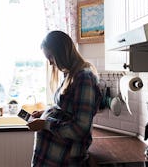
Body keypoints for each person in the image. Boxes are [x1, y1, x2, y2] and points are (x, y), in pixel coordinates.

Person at [27, 30, 102, 167]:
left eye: (50, 57)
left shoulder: (84, 77)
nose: (50, 63)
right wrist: (44, 112)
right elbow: (65, 110)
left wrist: (44, 124)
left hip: (65, 160)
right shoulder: (70, 74)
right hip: (53, 158)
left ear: (62, 52)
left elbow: (80, 129)